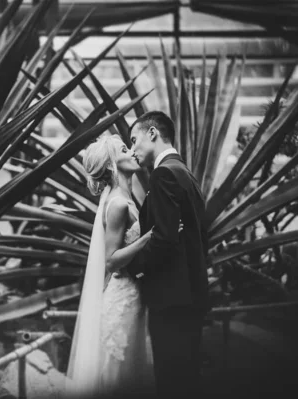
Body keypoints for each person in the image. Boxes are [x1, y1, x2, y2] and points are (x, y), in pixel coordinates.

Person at [65, 133, 170, 398]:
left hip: (134, 296)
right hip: (123, 298)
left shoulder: (126, 197)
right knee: (117, 375)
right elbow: (111, 261)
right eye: (125, 148)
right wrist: (147, 238)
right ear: (113, 164)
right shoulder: (118, 205)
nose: (133, 151)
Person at [126, 111, 210, 399]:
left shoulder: (163, 174)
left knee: (172, 382)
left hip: (171, 300)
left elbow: (164, 239)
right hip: (191, 295)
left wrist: (133, 268)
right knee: (187, 380)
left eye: (134, 140)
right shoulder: (184, 172)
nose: (132, 149)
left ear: (152, 133)